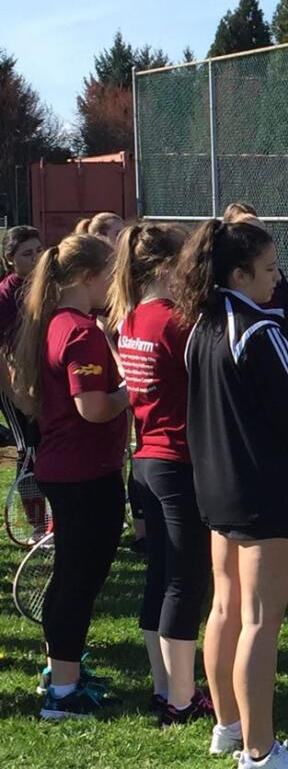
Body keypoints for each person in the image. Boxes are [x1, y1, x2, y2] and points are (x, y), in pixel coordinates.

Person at [176, 219, 288, 768]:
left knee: (225, 609)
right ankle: (260, 753)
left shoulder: (202, 327)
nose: (276, 279)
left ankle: (227, 728)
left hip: (217, 488)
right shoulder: (261, 333)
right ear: (238, 275)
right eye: (266, 271)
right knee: (259, 621)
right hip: (263, 494)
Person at [11, 234, 129, 719]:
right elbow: (93, 407)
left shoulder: (56, 322)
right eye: (110, 275)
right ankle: (64, 691)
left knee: (71, 576)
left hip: (68, 467)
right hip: (84, 472)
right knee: (80, 579)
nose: (115, 284)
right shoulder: (78, 330)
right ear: (86, 278)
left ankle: (60, 671)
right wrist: (134, 390)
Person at [110, 222, 213, 725]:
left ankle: (164, 686)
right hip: (177, 461)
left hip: (147, 459)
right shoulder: (176, 322)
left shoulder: (131, 318)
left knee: (161, 577)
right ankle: (181, 698)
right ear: (169, 267)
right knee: (185, 582)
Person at [222, 203, 288, 349]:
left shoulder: (277, 278)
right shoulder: (221, 301)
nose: (276, 277)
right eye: (251, 235)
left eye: (262, 234)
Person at [0, 225, 44, 454]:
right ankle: (29, 491)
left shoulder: (48, 287)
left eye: (39, 250)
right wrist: (15, 395)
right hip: (13, 381)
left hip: (40, 376)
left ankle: (44, 490)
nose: (36, 258)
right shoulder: (5, 295)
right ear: (9, 260)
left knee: (46, 441)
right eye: (27, 254)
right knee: (27, 448)